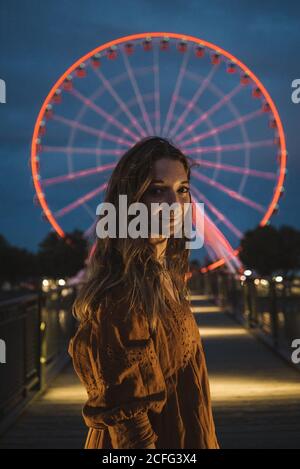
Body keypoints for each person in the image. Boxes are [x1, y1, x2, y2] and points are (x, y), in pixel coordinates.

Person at [68, 136, 219, 449]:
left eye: (182, 190)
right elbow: (129, 419)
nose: (175, 204)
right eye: (157, 190)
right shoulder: (125, 292)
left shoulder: (167, 278)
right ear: (130, 201)